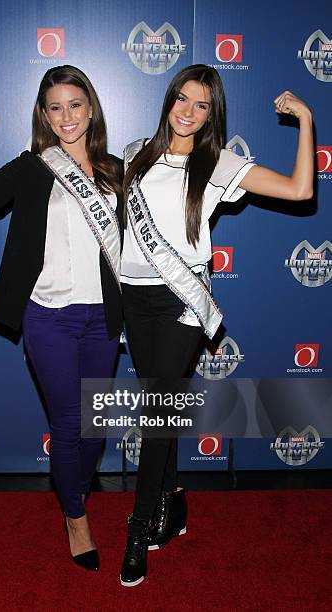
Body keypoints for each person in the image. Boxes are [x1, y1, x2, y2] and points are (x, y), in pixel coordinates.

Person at [119, 64, 313, 587]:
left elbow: (299, 191)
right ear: (169, 101)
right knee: (159, 407)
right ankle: (174, 502)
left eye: (201, 104)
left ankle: (138, 532)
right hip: (134, 300)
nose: (187, 111)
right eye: (182, 99)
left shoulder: (220, 162)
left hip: (183, 302)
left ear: (211, 115)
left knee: (156, 413)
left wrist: (306, 120)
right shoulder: (136, 151)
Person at [0, 65, 123, 572]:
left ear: (92, 108)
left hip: (103, 318)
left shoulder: (115, 171)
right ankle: (75, 518)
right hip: (49, 317)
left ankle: (72, 490)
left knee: (95, 424)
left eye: (76, 104)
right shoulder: (33, 167)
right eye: (55, 107)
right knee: (68, 422)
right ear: (44, 114)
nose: (67, 116)